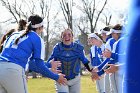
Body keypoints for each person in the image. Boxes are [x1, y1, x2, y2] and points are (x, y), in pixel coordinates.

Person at [0, 14, 67, 93]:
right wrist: (56, 77)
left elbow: (30, 64)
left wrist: (49, 65)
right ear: (39, 27)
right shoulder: (36, 38)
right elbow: (39, 65)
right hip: (13, 70)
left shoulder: (14, 35)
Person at [46, 28, 92, 93]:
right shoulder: (57, 48)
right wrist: (49, 72)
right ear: (61, 37)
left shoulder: (78, 48)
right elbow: (49, 62)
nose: (67, 36)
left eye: (69, 35)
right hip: (61, 79)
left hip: (75, 80)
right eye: (64, 35)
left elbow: (85, 61)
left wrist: (93, 71)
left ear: (72, 37)